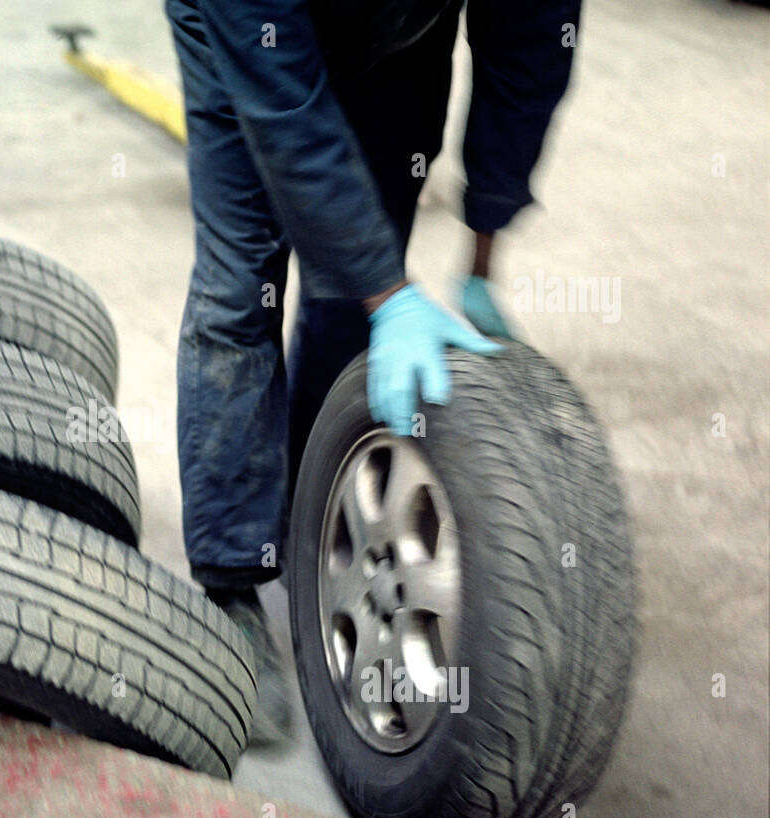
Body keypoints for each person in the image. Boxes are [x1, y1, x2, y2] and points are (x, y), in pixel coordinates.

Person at [164, 0, 581, 743]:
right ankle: (230, 584)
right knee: (240, 286)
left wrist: (481, 257)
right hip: (250, 28)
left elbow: (529, 49)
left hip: (400, 36)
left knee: (354, 292)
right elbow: (284, 106)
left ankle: (313, 524)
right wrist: (391, 294)